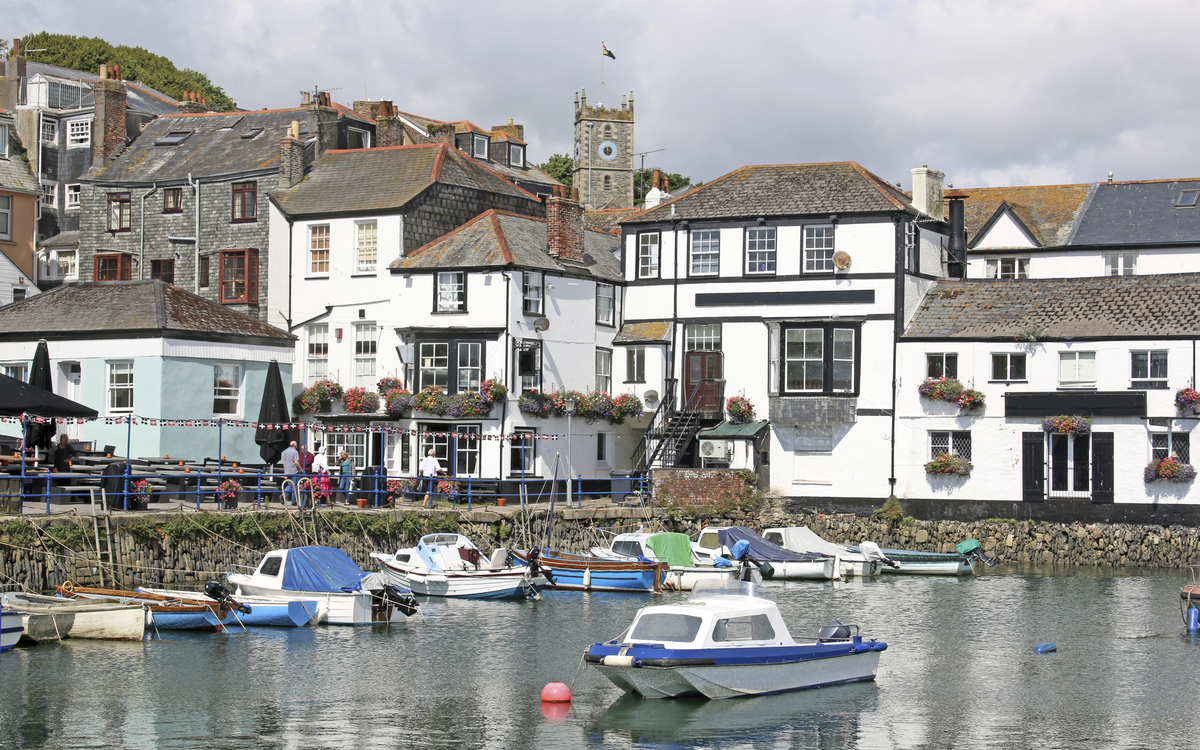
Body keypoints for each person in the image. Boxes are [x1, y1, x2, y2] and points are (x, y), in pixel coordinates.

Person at [282, 441, 301, 505]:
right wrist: (301, 469)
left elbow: (284, 462)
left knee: (290, 485)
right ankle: (294, 501)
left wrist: (285, 472)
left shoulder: (286, 452)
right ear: (295, 445)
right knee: (294, 486)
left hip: (287, 471)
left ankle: (284, 495)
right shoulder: (295, 452)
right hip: (294, 471)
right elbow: (296, 462)